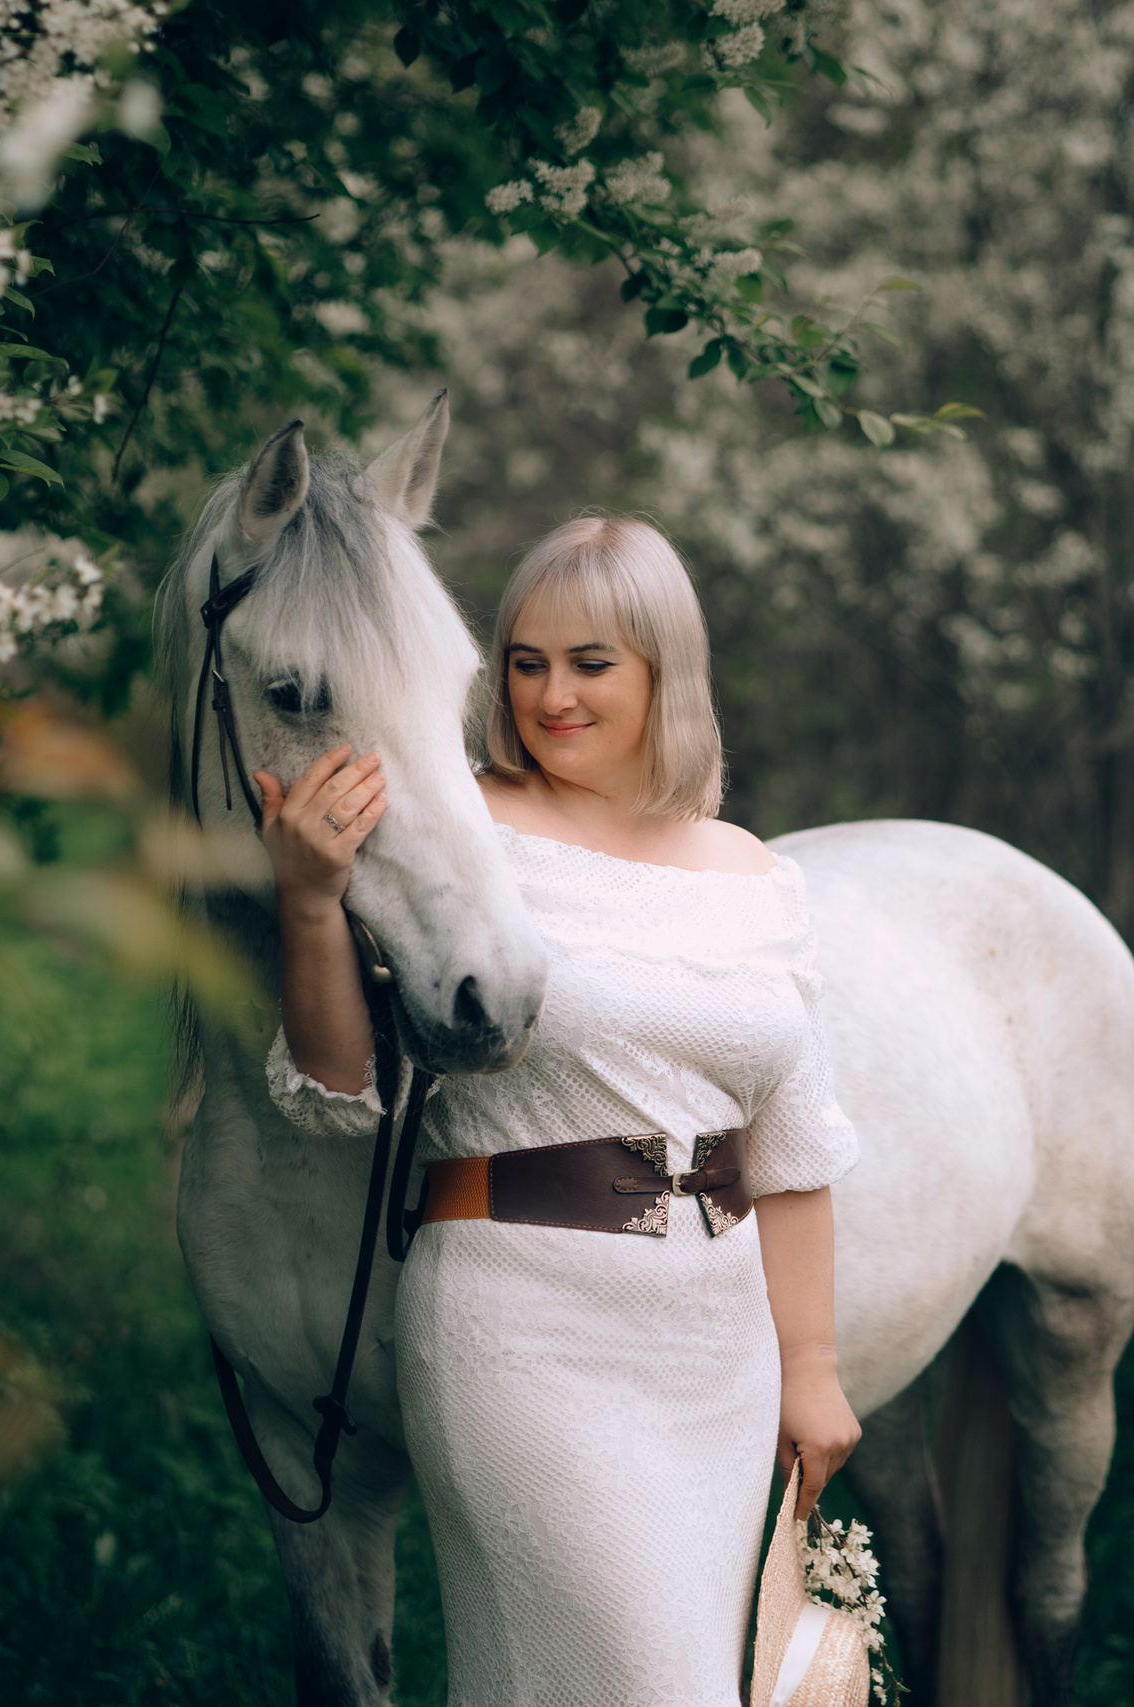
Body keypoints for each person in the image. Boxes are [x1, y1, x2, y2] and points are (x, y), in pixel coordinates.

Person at [256, 514, 862, 1705]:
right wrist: (311, 901)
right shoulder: (457, 827)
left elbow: (791, 1154)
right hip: (524, 1327)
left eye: (592, 663)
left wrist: (815, 1365)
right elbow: (338, 1092)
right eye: (525, 661)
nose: (551, 695)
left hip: (716, 1352)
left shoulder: (753, 874)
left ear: (663, 672)